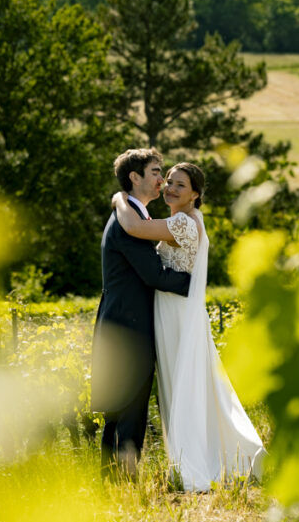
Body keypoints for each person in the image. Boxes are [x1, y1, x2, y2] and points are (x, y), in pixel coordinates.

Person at [112, 162, 266, 492]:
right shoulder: (191, 218)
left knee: (183, 384)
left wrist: (119, 198)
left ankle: (194, 462)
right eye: (168, 181)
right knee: (187, 382)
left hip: (176, 315)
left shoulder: (183, 222)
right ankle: (200, 456)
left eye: (180, 185)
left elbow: (134, 227)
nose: (170, 188)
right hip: (174, 310)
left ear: (195, 194)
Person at [91, 148, 191, 482]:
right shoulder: (127, 222)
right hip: (129, 328)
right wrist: (196, 284)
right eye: (155, 172)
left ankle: (112, 483)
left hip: (123, 323)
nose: (162, 179)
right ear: (134, 177)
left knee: (121, 408)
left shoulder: (132, 215)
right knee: (129, 409)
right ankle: (122, 484)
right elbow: (155, 276)